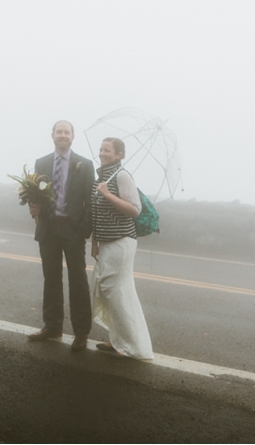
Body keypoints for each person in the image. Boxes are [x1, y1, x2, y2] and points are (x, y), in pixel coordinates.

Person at [27, 120, 95, 352]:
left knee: (78, 281)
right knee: (51, 279)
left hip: (73, 231)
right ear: (53, 135)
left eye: (67, 132)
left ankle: (81, 332)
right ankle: (52, 326)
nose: (63, 135)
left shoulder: (84, 165)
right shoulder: (42, 162)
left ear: (73, 136)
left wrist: (83, 230)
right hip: (49, 229)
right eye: (59, 132)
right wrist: (34, 206)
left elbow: (90, 199)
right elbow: (35, 192)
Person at [90, 138, 153, 360]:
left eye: (107, 150)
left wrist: (108, 195)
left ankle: (135, 346)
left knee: (118, 292)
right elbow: (96, 215)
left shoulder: (123, 176)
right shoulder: (100, 177)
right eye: (101, 149)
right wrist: (95, 242)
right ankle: (118, 340)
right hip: (106, 242)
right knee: (111, 292)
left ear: (119, 155)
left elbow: (134, 209)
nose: (102, 153)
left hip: (121, 241)